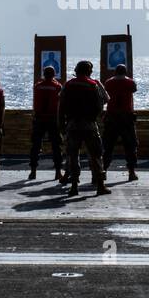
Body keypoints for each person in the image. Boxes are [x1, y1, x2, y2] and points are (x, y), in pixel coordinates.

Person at [60, 60, 110, 198]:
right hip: (89, 124)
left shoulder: (68, 85)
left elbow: (61, 105)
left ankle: (74, 186)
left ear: (76, 71)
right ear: (89, 71)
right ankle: (100, 185)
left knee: (73, 155)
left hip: (72, 124)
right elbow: (101, 104)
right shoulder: (93, 85)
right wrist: (94, 117)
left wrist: (61, 124)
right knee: (96, 155)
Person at [102, 63, 139, 181]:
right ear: (125, 72)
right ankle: (131, 172)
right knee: (130, 146)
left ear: (115, 72)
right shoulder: (130, 82)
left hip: (111, 116)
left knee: (108, 146)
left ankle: (104, 170)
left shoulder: (108, 82)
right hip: (126, 116)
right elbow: (134, 90)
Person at [29, 65, 63, 181]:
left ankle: (33, 171)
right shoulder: (57, 86)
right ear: (53, 75)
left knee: (35, 146)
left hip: (39, 119)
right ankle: (58, 172)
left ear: (44, 74)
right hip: (53, 119)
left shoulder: (37, 86)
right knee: (56, 146)